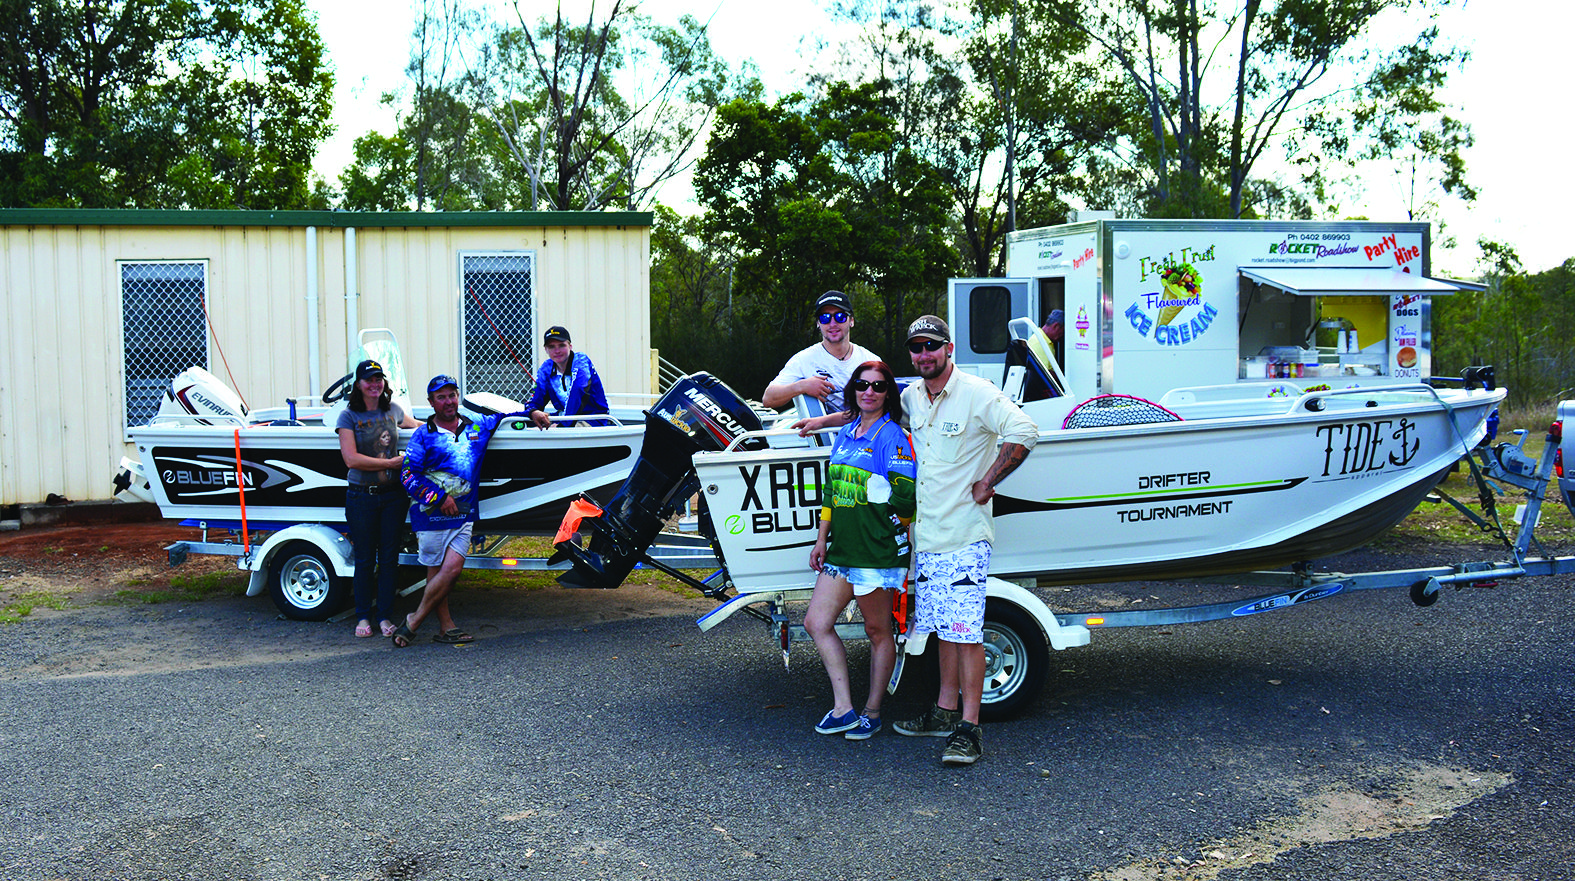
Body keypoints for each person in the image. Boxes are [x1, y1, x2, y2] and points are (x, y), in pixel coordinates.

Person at [893, 315, 1037, 766]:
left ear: (949, 348)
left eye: (932, 346)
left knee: (967, 634)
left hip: (965, 540)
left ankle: (970, 730)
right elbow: (879, 416)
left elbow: (1025, 431)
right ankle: (942, 711)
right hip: (929, 539)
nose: (924, 355)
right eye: (916, 348)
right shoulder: (912, 396)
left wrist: (988, 480)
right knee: (945, 633)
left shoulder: (977, 393)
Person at [804, 361, 916, 741]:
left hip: (877, 553)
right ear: (853, 390)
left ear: (888, 394)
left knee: (877, 630)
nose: (869, 391)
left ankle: (872, 711)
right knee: (816, 623)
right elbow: (831, 494)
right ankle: (844, 708)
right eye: (862, 385)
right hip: (842, 551)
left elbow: (906, 500)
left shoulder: (893, 437)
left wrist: (887, 525)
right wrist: (822, 538)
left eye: (879, 386)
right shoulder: (846, 434)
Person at [394, 375, 522, 647]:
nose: (448, 401)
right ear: (431, 403)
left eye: (452, 394)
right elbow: (407, 475)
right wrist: (439, 498)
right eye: (441, 397)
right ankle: (446, 627)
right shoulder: (422, 435)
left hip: (464, 514)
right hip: (430, 516)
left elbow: (510, 412)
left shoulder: (477, 426)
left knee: (451, 570)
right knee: (436, 570)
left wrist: (533, 411)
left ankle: (414, 619)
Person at [336, 358, 418, 639]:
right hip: (361, 497)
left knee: (389, 559)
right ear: (358, 385)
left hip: (394, 497)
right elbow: (351, 459)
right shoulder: (348, 417)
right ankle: (362, 616)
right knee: (364, 559)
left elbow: (416, 426)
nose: (374, 384)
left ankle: (383, 616)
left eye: (378, 379)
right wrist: (391, 465)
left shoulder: (393, 410)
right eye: (369, 379)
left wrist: (447, 427)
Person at [763, 290, 879, 423]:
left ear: (851, 320)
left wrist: (823, 422)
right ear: (818, 323)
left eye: (840, 316)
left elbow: (880, 412)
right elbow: (768, 398)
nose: (832, 324)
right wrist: (802, 386)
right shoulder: (803, 360)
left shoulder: (871, 361)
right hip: (824, 443)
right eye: (825, 318)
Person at [525, 325, 611, 428]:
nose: (557, 351)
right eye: (551, 347)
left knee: (556, 435)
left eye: (561, 345)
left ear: (570, 346)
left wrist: (562, 426)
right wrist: (533, 411)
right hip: (563, 418)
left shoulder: (581, 361)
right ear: (546, 350)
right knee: (527, 429)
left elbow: (579, 389)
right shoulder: (546, 368)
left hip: (592, 419)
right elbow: (535, 399)